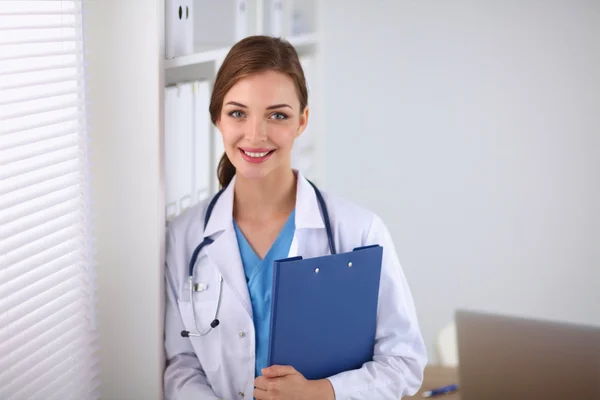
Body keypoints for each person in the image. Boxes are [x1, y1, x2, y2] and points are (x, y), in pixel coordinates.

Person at [164, 35, 427, 400]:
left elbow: (403, 362)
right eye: (238, 113)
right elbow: (182, 366)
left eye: (277, 115)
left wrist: (322, 392)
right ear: (217, 119)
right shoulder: (186, 236)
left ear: (302, 121)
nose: (255, 135)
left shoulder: (359, 232)